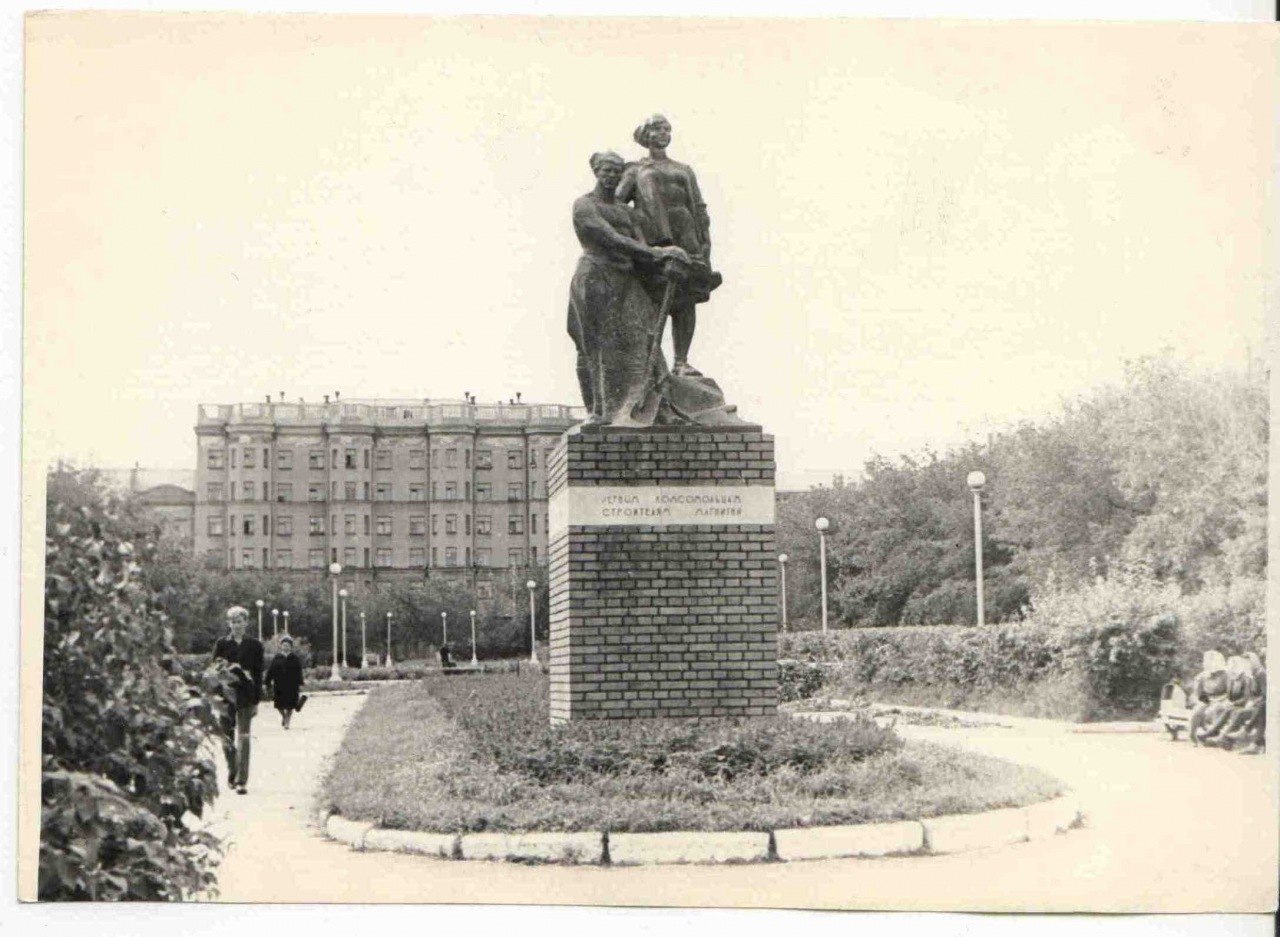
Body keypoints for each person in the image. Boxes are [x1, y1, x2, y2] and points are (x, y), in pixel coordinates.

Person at [566, 150, 739, 428]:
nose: (611, 176)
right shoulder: (585, 206)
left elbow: (642, 245)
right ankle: (599, 411)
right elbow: (610, 239)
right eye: (606, 170)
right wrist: (657, 254)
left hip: (626, 280)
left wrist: (670, 258)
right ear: (596, 172)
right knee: (595, 345)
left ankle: (658, 406)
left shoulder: (629, 213)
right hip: (594, 278)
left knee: (648, 340)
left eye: (615, 171)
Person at [617, 114, 721, 378]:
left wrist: (704, 241)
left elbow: (697, 205)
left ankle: (681, 361)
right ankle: (652, 363)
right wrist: (638, 235)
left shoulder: (683, 169)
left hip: (687, 236)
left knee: (686, 301)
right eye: (657, 129)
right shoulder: (635, 170)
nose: (663, 134)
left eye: (666, 129)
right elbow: (618, 207)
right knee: (654, 299)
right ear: (645, 134)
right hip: (655, 241)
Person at [212, 606, 264, 794]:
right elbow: (214, 670)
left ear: (246, 622)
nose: (236, 625)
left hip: (246, 696)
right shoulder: (221, 644)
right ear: (229, 624)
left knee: (244, 736)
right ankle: (232, 770)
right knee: (226, 736)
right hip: (225, 696)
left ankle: (242, 780)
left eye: (239, 621)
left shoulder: (255, 645)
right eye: (233, 621)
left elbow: (258, 675)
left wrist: (257, 700)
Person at [1199, 655, 1253, 745]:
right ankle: (1213, 733)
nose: (1230, 668)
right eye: (1229, 666)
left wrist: (1232, 703)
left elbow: (1246, 698)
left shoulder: (1246, 679)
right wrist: (1227, 702)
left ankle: (1222, 738)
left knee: (1231, 711)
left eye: (1232, 666)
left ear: (1237, 666)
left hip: (1243, 705)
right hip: (1233, 705)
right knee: (1219, 708)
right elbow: (1228, 695)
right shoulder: (1231, 679)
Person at [1222, 651, 1266, 754]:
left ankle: (1233, 737)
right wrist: (1251, 701)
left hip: (1259, 706)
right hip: (1257, 706)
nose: (1246, 666)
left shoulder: (1261, 674)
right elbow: (1251, 694)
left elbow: (1266, 695)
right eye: (1244, 664)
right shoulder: (1253, 676)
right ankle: (1227, 738)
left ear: (1254, 662)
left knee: (1242, 713)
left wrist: (1253, 702)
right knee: (1237, 712)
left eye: (1248, 663)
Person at [1187, 650, 1229, 747]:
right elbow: (1196, 694)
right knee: (1197, 710)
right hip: (1206, 700)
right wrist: (1203, 702)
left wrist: (1220, 700)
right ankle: (1192, 735)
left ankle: (1213, 736)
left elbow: (1229, 693)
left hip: (1222, 700)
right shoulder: (1201, 677)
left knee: (1216, 709)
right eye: (1207, 661)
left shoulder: (1226, 675)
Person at [265, 636, 306, 730]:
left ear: (291, 647)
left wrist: (301, 683)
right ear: (281, 646)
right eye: (284, 645)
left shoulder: (294, 658)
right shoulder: (277, 657)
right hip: (279, 684)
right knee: (279, 704)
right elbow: (271, 670)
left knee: (291, 704)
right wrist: (267, 681)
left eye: (288, 645)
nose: (286, 647)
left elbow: (298, 671)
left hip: (292, 684)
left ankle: (287, 721)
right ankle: (284, 716)